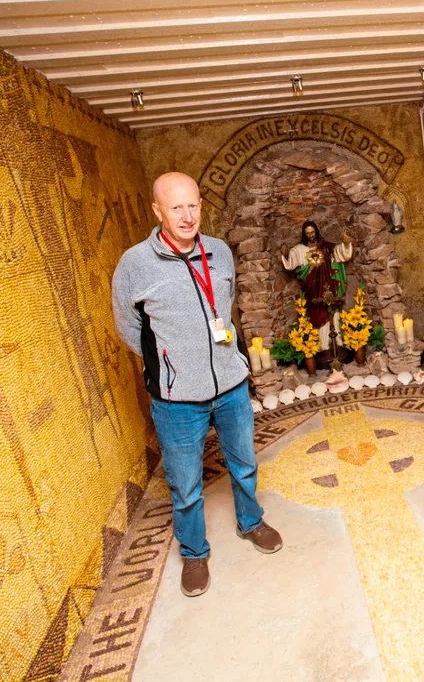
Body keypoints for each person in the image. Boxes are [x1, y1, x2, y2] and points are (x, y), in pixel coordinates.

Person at [112, 172, 282, 598]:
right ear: (157, 211)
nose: (188, 216)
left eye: (194, 206)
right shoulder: (135, 264)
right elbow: (128, 328)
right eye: (176, 208)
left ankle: (252, 522)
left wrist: (231, 358)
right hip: (177, 399)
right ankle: (193, 552)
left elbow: (224, 309)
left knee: (243, 463)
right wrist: (169, 364)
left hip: (230, 385)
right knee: (185, 482)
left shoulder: (219, 251)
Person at [280, 220, 353, 349]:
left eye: (312, 232)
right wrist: (285, 254)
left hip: (328, 287)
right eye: (307, 233)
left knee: (333, 312)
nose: (311, 235)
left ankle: (338, 342)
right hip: (313, 289)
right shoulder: (300, 250)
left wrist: (346, 243)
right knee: (318, 314)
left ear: (316, 232)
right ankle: (323, 345)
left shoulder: (326, 247)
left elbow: (339, 252)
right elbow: (291, 263)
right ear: (304, 234)